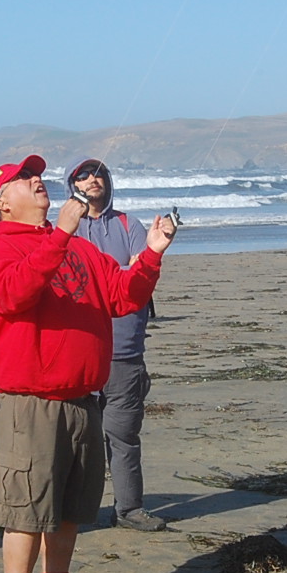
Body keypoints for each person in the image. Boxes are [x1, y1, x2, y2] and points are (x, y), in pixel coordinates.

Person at [0, 155, 177, 573]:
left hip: (81, 398)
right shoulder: (0, 248)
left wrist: (151, 255)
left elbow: (122, 295)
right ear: (3, 204)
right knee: (27, 508)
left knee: (69, 508)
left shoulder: (79, 249)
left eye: (36, 175)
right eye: (23, 179)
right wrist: (62, 233)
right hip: (29, 401)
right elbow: (12, 296)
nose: (36, 181)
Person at [64, 158, 166, 532]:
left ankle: (129, 508)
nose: (92, 179)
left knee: (123, 436)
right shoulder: (65, 231)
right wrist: (118, 273)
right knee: (73, 439)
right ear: (72, 184)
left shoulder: (128, 224)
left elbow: (141, 272)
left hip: (124, 354)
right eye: (83, 175)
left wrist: (126, 271)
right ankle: (68, 512)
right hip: (79, 354)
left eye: (99, 174)